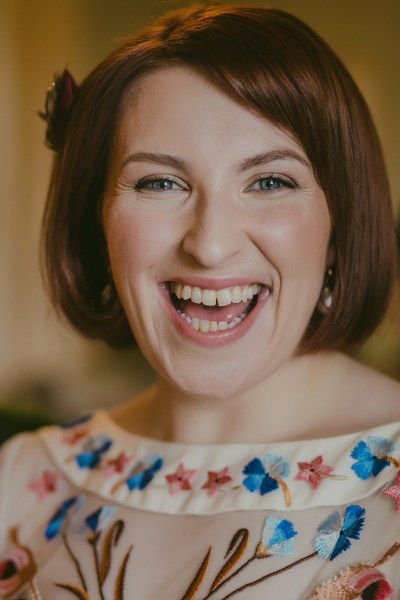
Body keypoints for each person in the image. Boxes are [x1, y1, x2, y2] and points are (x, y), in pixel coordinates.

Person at [1, 4, 399, 599]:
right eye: (160, 183)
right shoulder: (21, 481)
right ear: (97, 223)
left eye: (269, 182)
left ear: (340, 225)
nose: (210, 246)